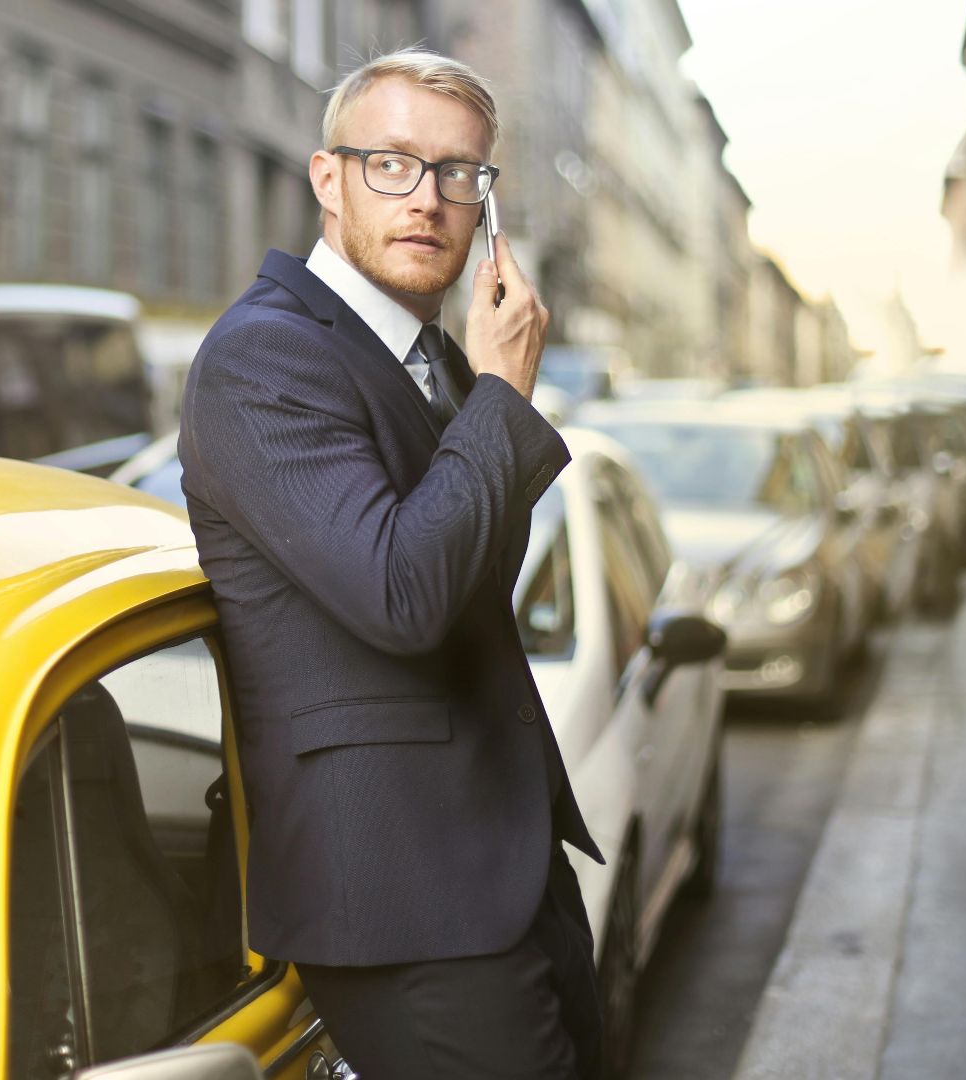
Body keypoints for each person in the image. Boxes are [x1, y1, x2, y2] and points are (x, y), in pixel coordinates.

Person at [178, 50, 603, 1080]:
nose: (429, 200)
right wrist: (504, 396)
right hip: (401, 899)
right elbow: (403, 595)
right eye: (393, 165)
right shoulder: (263, 357)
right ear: (328, 181)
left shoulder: (433, 359)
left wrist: (482, 389)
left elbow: (469, 584)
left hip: (504, 864)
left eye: (461, 174)